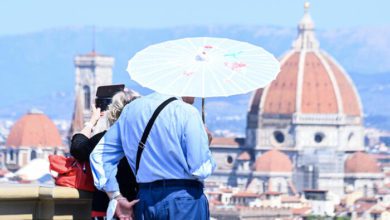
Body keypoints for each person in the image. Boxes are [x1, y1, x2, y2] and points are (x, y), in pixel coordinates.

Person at [90, 92, 216, 220]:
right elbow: (201, 169)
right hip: (184, 201)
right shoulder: (188, 112)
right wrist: (205, 144)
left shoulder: (131, 110)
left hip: (145, 200)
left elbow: (99, 155)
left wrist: (115, 196)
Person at [71, 91, 138, 220]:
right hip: (134, 207)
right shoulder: (138, 140)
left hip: (104, 208)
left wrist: (92, 121)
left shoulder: (104, 140)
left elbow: (77, 147)